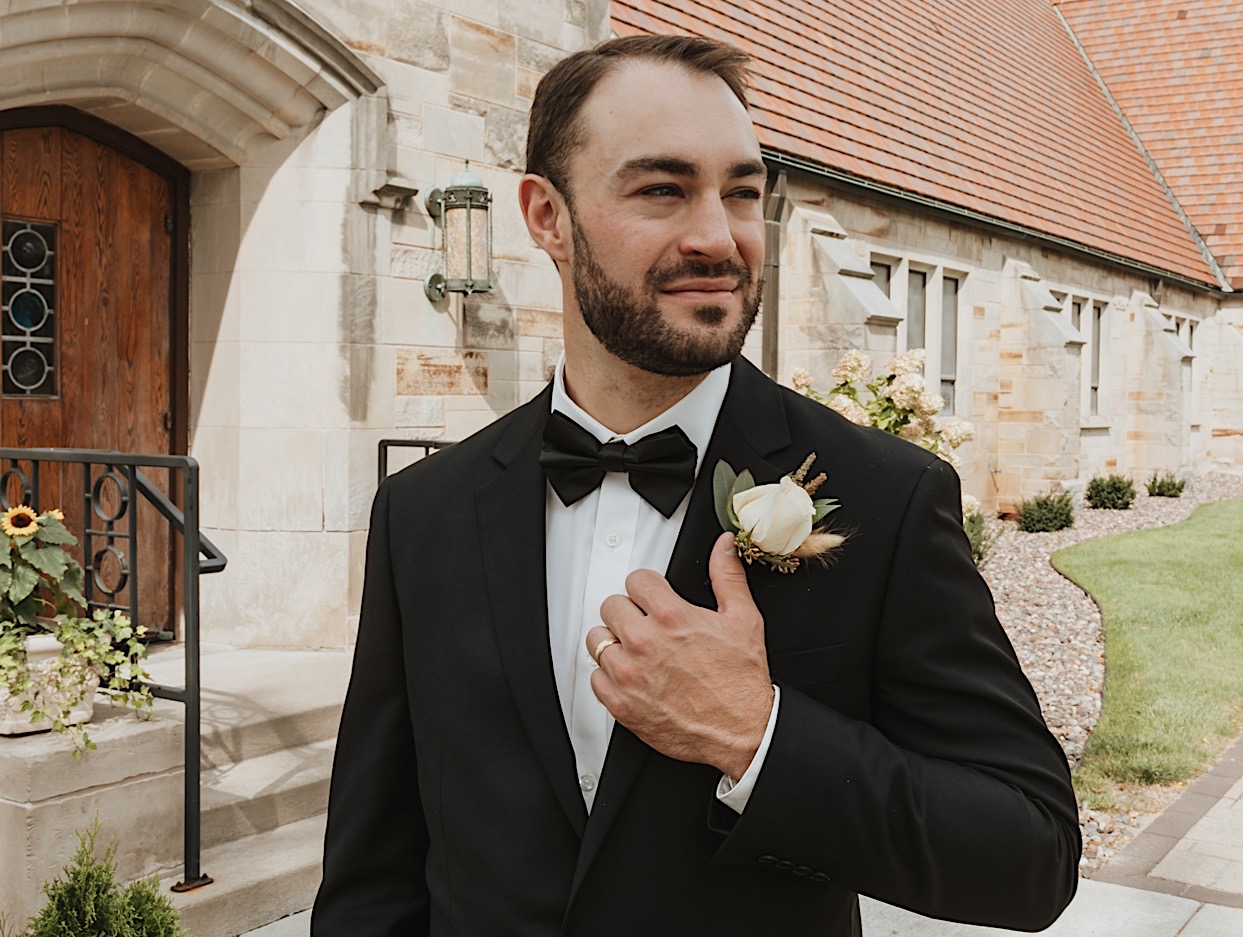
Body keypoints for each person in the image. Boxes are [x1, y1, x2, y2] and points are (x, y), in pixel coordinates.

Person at [312, 34, 1079, 937]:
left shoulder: (886, 496)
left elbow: (1030, 854)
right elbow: (373, 875)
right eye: (662, 189)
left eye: (743, 192)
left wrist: (758, 737)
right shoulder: (423, 512)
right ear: (546, 216)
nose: (718, 236)